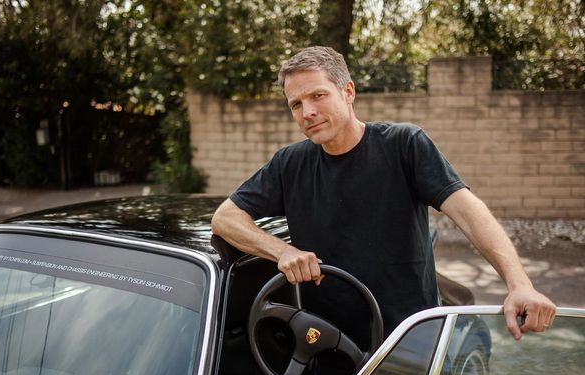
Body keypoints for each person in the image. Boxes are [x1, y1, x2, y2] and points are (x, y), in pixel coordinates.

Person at [211, 45, 556, 344]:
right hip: (329, 347)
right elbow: (226, 218)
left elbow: (468, 211)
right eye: (296, 104)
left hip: (410, 340)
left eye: (318, 96)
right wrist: (282, 251)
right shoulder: (290, 163)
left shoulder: (404, 144)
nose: (308, 112)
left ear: (347, 91)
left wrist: (519, 284)